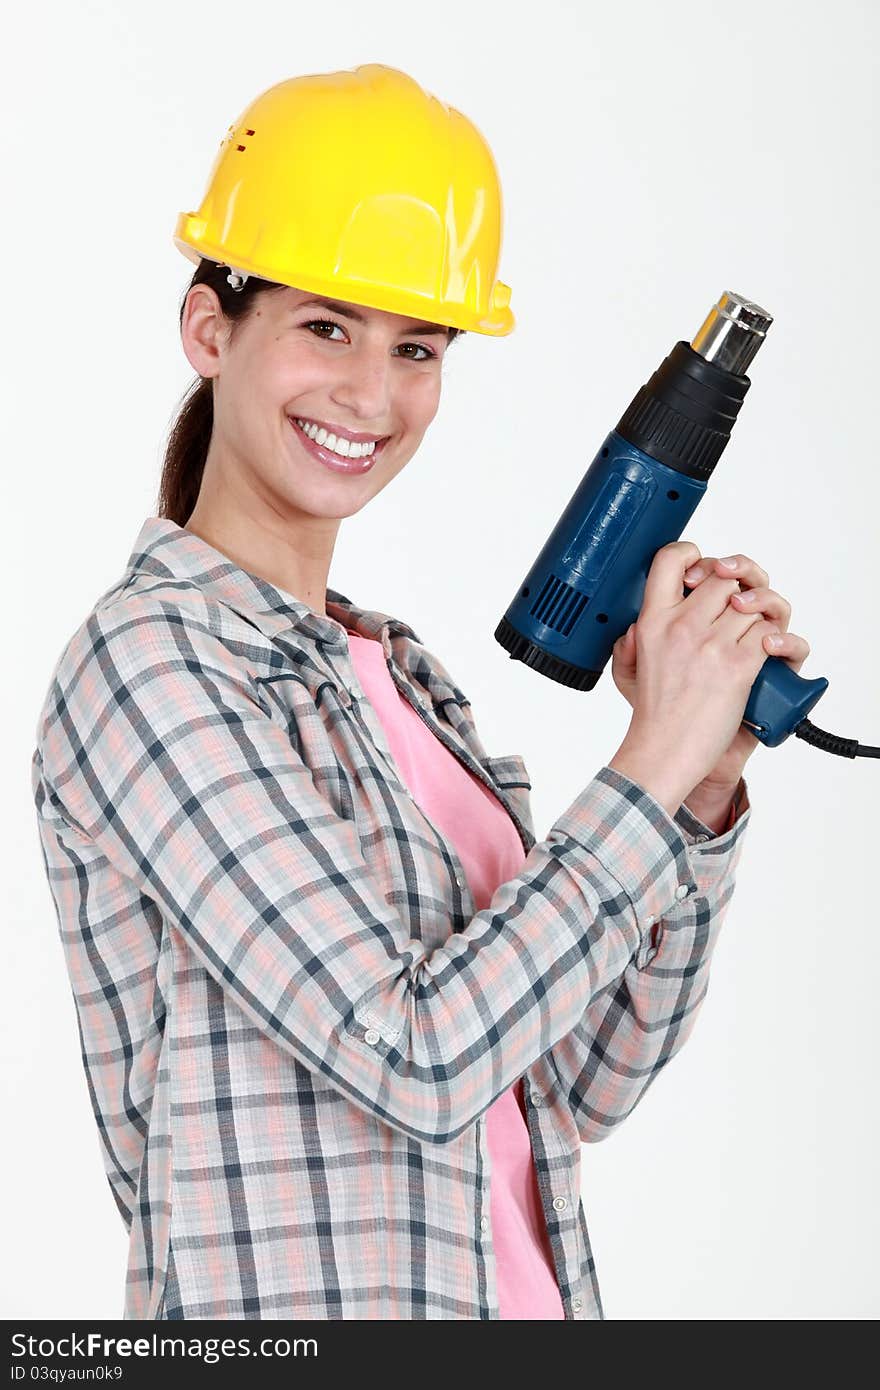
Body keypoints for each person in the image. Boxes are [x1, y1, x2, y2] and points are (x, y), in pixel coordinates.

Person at [31, 64, 809, 1321]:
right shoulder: (150, 665)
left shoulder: (400, 679)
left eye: (418, 349)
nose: (372, 396)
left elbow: (580, 1078)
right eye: (326, 327)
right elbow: (411, 1057)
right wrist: (646, 766)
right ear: (210, 328)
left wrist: (701, 786)